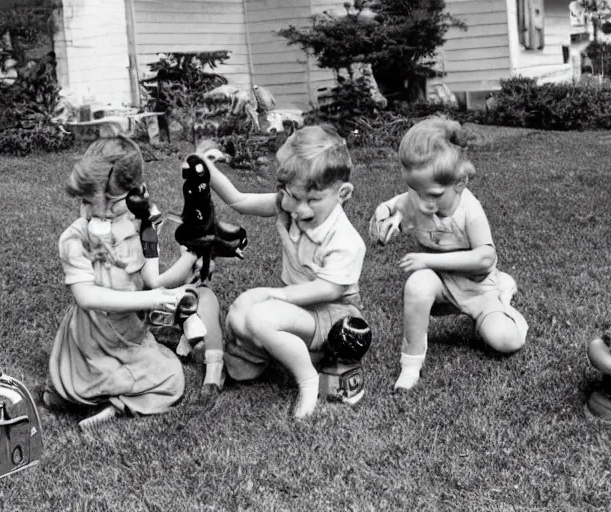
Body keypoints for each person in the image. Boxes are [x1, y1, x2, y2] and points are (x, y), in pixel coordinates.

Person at [202, 125, 368, 418]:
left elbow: (329, 290)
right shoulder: (288, 204)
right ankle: (273, 355)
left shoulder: (345, 239)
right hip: (299, 309)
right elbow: (239, 201)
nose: (299, 209)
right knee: (239, 312)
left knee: (260, 315)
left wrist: (275, 294)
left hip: (332, 314)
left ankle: (308, 379)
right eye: (292, 195)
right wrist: (205, 168)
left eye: (313, 200)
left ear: (342, 193)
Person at [47, 136, 202, 432]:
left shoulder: (143, 224)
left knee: (172, 377)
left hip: (129, 333)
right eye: (87, 202)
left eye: (113, 207)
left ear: (136, 196)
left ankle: (109, 403)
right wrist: (152, 300)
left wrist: (189, 258)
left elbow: (152, 280)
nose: (97, 213)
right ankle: (92, 393)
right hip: (91, 336)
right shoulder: (74, 239)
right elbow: (86, 297)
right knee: (166, 379)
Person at [368, 117, 528, 392]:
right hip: (441, 285)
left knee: (505, 341)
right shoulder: (419, 197)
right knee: (417, 284)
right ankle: (411, 363)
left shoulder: (470, 211)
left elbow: (484, 258)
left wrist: (427, 260)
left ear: (460, 182)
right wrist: (382, 219)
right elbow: (394, 206)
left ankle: (504, 295)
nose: (423, 203)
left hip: (478, 288)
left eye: (433, 194)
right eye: (415, 190)